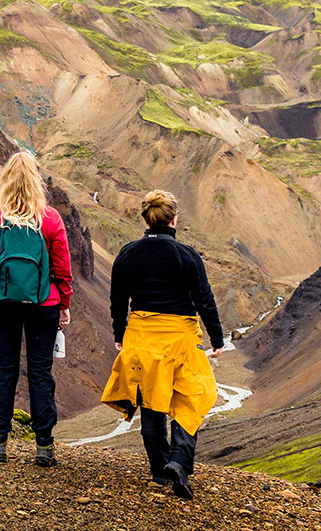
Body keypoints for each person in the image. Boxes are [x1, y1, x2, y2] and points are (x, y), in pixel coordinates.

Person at [101, 190, 223, 499]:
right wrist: (217, 337)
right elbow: (204, 300)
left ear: (145, 219)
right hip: (180, 340)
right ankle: (179, 460)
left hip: (141, 339)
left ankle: (159, 472)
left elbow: (118, 301)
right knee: (193, 396)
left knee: (151, 405)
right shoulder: (186, 255)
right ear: (174, 219)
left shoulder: (127, 254)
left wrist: (119, 334)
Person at [0, 152, 73, 467]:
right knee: (40, 373)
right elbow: (62, 267)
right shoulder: (50, 219)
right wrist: (65, 303)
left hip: (1, 303)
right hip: (44, 304)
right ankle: (44, 446)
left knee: (4, 371)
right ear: (36, 181)